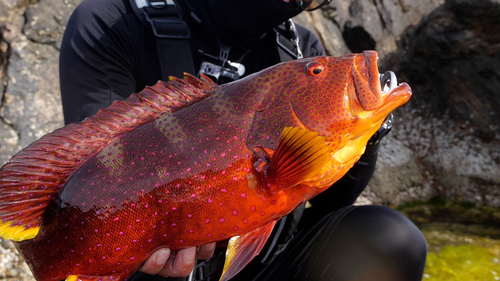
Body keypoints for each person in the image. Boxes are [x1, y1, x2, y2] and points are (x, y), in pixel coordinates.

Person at [59, 0, 428, 280]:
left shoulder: (300, 47)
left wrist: (369, 134)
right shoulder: (114, 22)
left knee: (389, 239)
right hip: (143, 268)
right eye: (317, 72)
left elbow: (332, 202)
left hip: (261, 265)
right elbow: (89, 181)